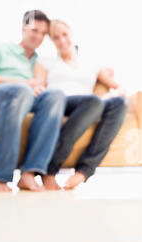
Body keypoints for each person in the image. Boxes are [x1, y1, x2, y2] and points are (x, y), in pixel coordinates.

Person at [0, 10, 67, 192]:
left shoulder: (40, 63)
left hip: (23, 98)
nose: (38, 36)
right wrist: (25, 83)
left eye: (43, 34)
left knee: (56, 96)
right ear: (23, 28)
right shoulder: (0, 48)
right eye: (34, 30)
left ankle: (30, 173)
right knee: (21, 91)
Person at [35, 20, 128, 190]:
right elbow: (38, 85)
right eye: (56, 38)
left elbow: (119, 87)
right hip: (61, 102)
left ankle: (84, 171)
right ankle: (49, 169)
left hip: (90, 106)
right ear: (51, 41)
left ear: (71, 34)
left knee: (119, 104)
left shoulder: (91, 64)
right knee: (93, 101)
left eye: (64, 35)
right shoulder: (46, 62)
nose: (62, 41)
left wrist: (112, 94)